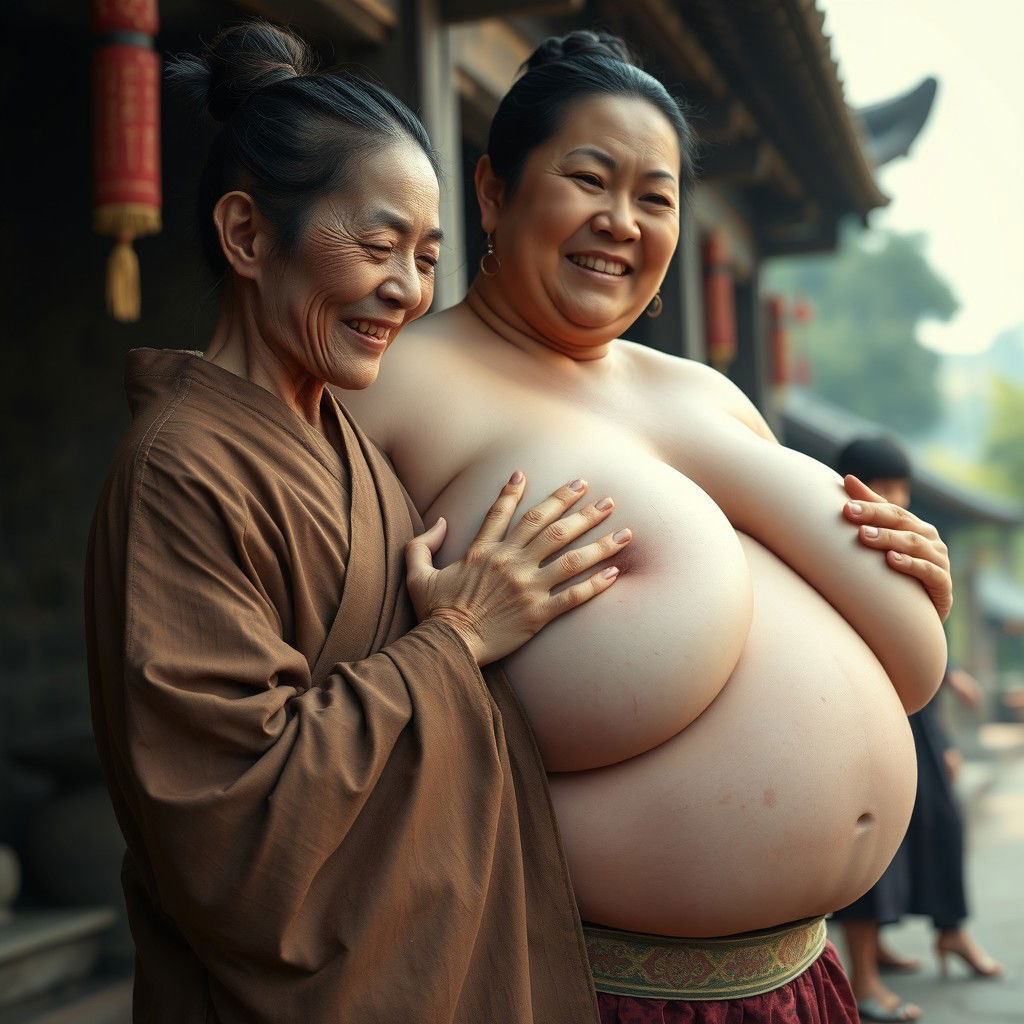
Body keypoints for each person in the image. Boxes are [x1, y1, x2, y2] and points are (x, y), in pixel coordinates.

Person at [340, 31, 955, 1024]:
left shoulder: (710, 392)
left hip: (803, 979)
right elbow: (312, 676)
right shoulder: (398, 384)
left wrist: (914, 577)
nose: (620, 221)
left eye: (655, 196)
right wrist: (442, 639)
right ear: (493, 193)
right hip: (586, 989)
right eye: (589, 178)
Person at [85, 23, 632, 1023]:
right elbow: (230, 824)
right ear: (248, 235)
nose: (408, 290)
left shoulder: (336, 429)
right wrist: (455, 638)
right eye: (378, 246)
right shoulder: (182, 466)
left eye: (425, 256)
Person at [831, 437, 1002, 1024]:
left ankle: (950, 933)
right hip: (864, 706)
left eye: (902, 491)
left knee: (943, 824)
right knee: (872, 837)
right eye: (886, 487)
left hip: (918, 711)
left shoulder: (911, 536)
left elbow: (920, 621)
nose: (895, 500)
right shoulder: (835, 534)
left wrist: (948, 695)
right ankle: (865, 978)